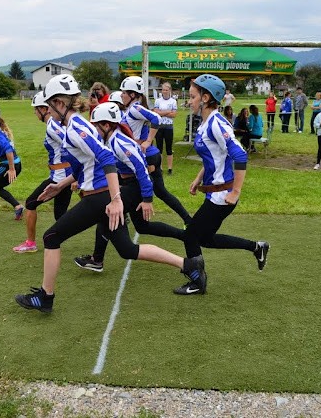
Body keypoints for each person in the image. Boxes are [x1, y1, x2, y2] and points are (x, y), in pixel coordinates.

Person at [14, 74, 206, 313]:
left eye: (49, 106)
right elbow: (89, 163)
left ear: (60, 103)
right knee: (127, 250)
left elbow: (105, 157)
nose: (48, 111)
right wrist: (60, 185)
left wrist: (116, 200)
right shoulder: (77, 125)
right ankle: (190, 265)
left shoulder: (75, 128)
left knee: (51, 237)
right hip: (102, 196)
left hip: (99, 198)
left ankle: (46, 297)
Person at [179, 74, 269, 295]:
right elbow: (215, 156)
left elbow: (240, 155)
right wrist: (198, 178)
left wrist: (236, 191)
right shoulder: (205, 123)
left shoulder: (217, 124)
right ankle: (257, 247)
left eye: (192, 96)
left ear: (206, 98)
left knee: (191, 235)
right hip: (214, 193)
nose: (189, 101)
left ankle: (197, 282)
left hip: (222, 196)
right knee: (206, 239)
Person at [74, 102, 185, 273]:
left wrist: (147, 199)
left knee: (106, 212)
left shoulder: (119, 142)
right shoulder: (111, 139)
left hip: (135, 187)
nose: (93, 129)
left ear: (106, 125)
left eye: (96, 125)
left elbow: (141, 169)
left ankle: (97, 259)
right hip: (130, 185)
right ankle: (184, 235)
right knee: (142, 226)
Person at [119, 76, 191, 226]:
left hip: (147, 156)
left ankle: (124, 219)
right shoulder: (131, 109)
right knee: (161, 192)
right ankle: (188, 220)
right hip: (151, 155)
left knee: (123, 184)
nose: (121, 95)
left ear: (133, 94)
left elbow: (156, 118)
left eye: (124, 92)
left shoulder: (135, 108)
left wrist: (148, 141)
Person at [12, 91, 72, 253]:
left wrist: (75, 176)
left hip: (60, 179)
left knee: (30, 204)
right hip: (62, 176)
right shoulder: (54, 124)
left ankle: (30, 243)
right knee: (60, 215)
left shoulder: (52, 126)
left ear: (43, 109)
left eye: (35, 109)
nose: (34, 113)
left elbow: (72, 144)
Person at [153, 82, 178, 175]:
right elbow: (156, 112)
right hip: (160, 126)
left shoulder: (173, 101)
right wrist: (168, 111)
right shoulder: (158, 101)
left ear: (169, 90)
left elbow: (174, 114)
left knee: (169, 148)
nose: (165, 92)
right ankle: (160, 168)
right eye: (163, 90)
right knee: (159, 148)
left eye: (166, 90)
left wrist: (162, 112)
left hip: (168, 127)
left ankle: (170, 168)